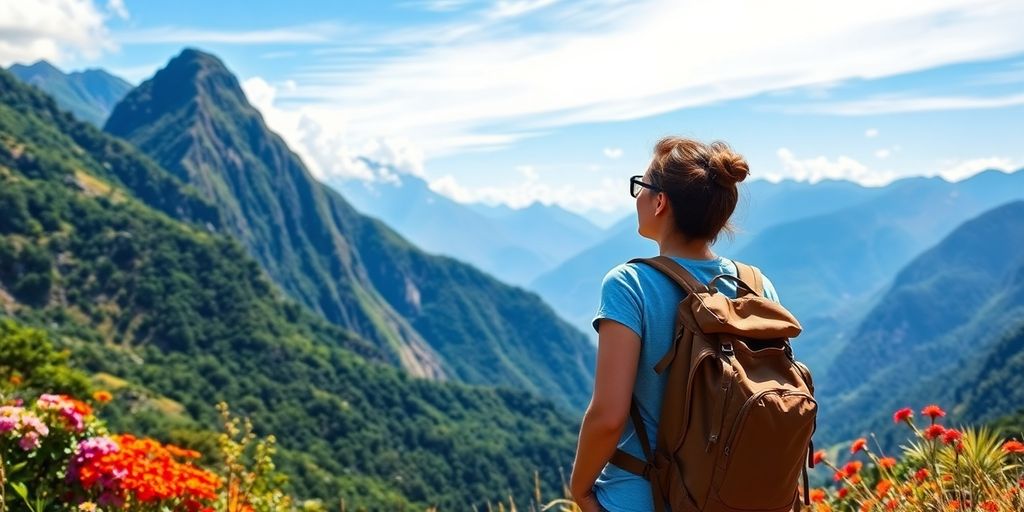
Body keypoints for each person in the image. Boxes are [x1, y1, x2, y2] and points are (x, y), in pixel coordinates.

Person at [569, 137, 782, 512]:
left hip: (640, 498)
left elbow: (608, 415)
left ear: (660, 201)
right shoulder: (757, 285)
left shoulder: (629, 284)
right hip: (734, 499)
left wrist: (581, 489)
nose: (637, 198)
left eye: (641, 186)